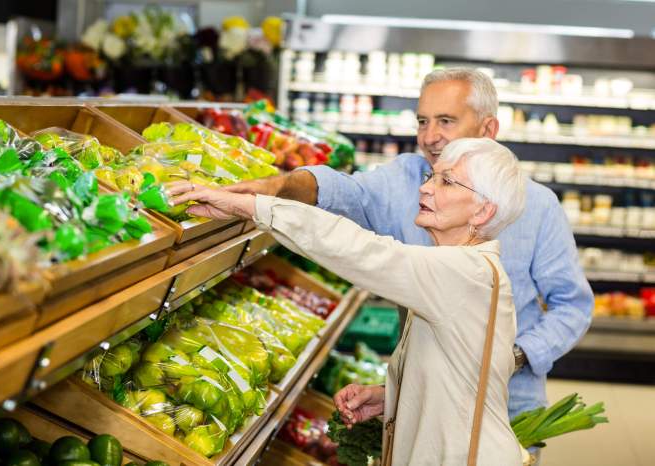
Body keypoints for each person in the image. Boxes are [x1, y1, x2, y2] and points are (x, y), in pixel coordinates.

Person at [221, 68, 594, 424]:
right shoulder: (406, 179)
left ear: (488, 129)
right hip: (422, 397)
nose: (429, 136)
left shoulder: (539, 205)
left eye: (446, 121)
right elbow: (344, 192)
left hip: (509, 404)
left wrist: (515, 356)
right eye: (422, 121)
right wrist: (281, 186)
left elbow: (572, 306)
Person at [165, 137, 526, 465]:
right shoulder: (466, 270)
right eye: (432, 176)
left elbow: (362, 251)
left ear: (483, 211)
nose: (426, 188)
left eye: (446, 182)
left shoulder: (465, 272)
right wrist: (395, 395)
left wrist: (252, 207)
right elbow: (469, 369)